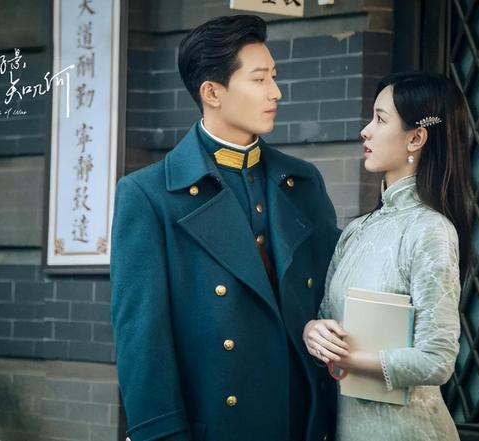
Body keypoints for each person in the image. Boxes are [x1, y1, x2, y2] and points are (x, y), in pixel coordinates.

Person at [111, 15, 340, 441]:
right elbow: (142, 342)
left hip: (302, 424)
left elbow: (331, 297)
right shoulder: (148, 196)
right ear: (212, 92)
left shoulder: (302, 182)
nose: (275, 92)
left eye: (274, 77)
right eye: (259, 79)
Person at [302, 72, 472, 441]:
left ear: (416, 137)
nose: (365, 131)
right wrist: (313, 331)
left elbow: (437, 360)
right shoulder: (357, 230)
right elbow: (327, 318)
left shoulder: (431, 230)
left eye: (380, 120)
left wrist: (348, 361)